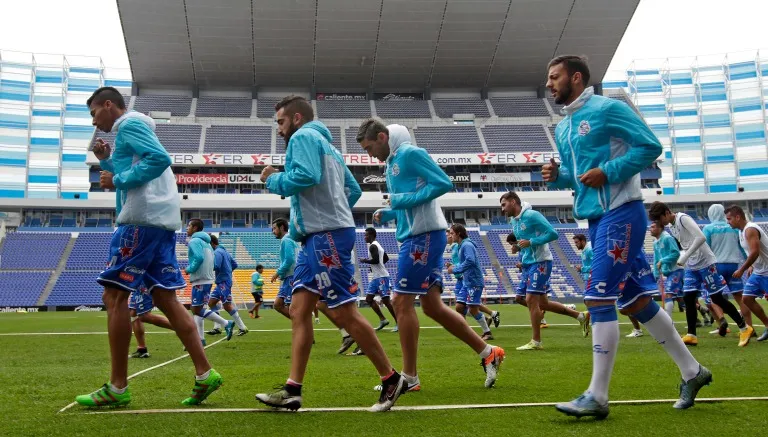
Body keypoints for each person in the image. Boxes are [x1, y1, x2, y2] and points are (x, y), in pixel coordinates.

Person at [542, 56, 709, 418]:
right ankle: (693, 372)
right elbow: (578, 176)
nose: (549, 84)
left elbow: (649, 147)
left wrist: (609, 170)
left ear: (576, 77)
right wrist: (559, 176)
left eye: (554, 77)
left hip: (622, 213)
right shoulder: (563, 128)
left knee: (598, 299)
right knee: (635, 302)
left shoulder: (607, 109)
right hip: (596, 219)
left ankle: (597, 397)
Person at [255, 96, 403, 412]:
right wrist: (330, 213)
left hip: (325, 237)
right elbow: (353, 191)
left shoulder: (303, 137)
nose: (279, 130)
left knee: (344, 312)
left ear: (296, 118)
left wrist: (272, 179)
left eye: (280, 122)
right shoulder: (330, 148)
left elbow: (305, 177)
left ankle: (390, 378)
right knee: (298, 308)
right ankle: (293, 389)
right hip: (318, 236)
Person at [76, 87, 221, 408]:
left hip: (140, 221)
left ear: (108, 105)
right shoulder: (134, 128)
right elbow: (145, 167)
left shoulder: (129, 125)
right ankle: (204, 373)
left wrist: (118, 179)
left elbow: (158, 160)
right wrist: (108, 162)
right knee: (166, 299)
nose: (93, 121)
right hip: (159, 221)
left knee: (114, 296)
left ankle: (117, 387)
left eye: (93, 113)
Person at [359, 119, 505, 391]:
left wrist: (401, 201)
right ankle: (488, 352)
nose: (369, 155)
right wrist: (392, 211)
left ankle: (410, 377)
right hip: (423, 236)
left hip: (423, 238)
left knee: (401, 303)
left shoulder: (410, 154)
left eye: (369, 148)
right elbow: (411, 200)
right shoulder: (392, 163)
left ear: (382, 137)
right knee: (432, 306)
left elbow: (442, 182)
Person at [649, 202, 753, 346]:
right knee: (688, 297)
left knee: (717, 298)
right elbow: (687, 243)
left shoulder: (682, 218)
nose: (661, 223)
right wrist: (686, 256)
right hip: (692, 265)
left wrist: (684, 256)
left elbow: (700, 237)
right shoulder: (672, 225)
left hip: (706, 263)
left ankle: (744, 327)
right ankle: (692, 334)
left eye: (660, 219)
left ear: (667, 213)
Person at [501, 192, 589, 350]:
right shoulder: (513, 221)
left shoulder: (532, 215)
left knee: (530, 300)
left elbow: (553, 233)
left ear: (513, 202)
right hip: (528, 264)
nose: (502, 209)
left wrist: (531, 242)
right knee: (539, 302)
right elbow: (525, 241)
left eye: (504, 204)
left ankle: (536, 341)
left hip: (540, 262)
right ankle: (580, 316)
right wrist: (518, 246)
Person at [186, 219, 235, 342]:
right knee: (198, 310)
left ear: (195, 228)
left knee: (196, 309)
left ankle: (226, 323)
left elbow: (198, 257)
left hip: (200, 278)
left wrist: (189, 269)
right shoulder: (206, 243)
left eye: (189, 226)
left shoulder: (195, 241)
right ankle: (200, 339)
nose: (187, 228)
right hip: (207, 278)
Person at [703, 204, 750, 331]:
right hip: (733, 265)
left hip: (716, 266)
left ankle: (721, 320)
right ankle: (749, 327)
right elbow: (743, 248)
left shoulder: (708, 228)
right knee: (740, 297)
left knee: (714, 295)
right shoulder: (733, 228)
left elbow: (705, 249)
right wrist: (749, 263)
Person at [726, 205, 768, 341]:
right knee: (747, 299)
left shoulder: (750, 229)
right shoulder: (741, 230)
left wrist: (742, 269)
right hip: (759, 271)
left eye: (729, 218)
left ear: (738, 217)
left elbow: (755, 251)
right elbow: (752, 251)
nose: (728, 222)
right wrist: (752, 266)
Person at [446, 224, 493, 340]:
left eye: (452, 233)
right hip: (467, 281)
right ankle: (484, 320)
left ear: (458, 234)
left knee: (472, 308)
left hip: (474, 281)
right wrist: (453, 267)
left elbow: (470, 261)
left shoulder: (466, 245)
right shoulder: (462, 245)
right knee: (459, 307)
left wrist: (455, 269)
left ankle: (487, 332)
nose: (451, 236)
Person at [359, 227, 398, 332]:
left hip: (381, 277)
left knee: (386, 300)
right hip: (376, 276)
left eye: (366, 235)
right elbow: (386, 258)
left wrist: (364, 260)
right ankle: (383, 320)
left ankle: (399, 322)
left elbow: (376, 260)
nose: (364, 237)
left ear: (371, 235)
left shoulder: (373, 246)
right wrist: (375, 267)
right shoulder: (378, 245)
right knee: (369, 299)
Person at [208, 234, 247, 336]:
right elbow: (235, 264)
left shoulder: (217, 252)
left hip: (224, 282)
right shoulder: (225, 252)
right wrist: (228, 271)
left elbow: (216, 265)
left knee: (227, 305)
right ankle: (217, 328)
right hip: (222, 281)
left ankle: (242, 328)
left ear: (211, 243)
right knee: (211, 303)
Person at [128, 284, 175, 358]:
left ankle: (183, 329)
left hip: (143, 282)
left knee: (144, 316)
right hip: (137, 284)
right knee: (134, 313)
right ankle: (142, 350)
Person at [650, 221, 685, 320]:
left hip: (676, 270)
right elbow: (656, 258)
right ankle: (703, 310)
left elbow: (676, 253)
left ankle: (668, 320)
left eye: (653, 227)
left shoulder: (667, 238)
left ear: (660, 228)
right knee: (679, 296)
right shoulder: (656, 242)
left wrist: (663, 260)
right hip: (668, 271)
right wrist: (656, 274)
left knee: (668, 294)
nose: (650, 229)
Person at [271, 218, 298, 321]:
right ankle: (301, 325)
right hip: (288, 277)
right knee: (278, 304)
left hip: (291, 276)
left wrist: (277, 273)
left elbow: (290, 259)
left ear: (282, 227)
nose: (273, 232)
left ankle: (302, 327)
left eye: (274, 228)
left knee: (293, 308)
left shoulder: (286, 240)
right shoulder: (289, 239)